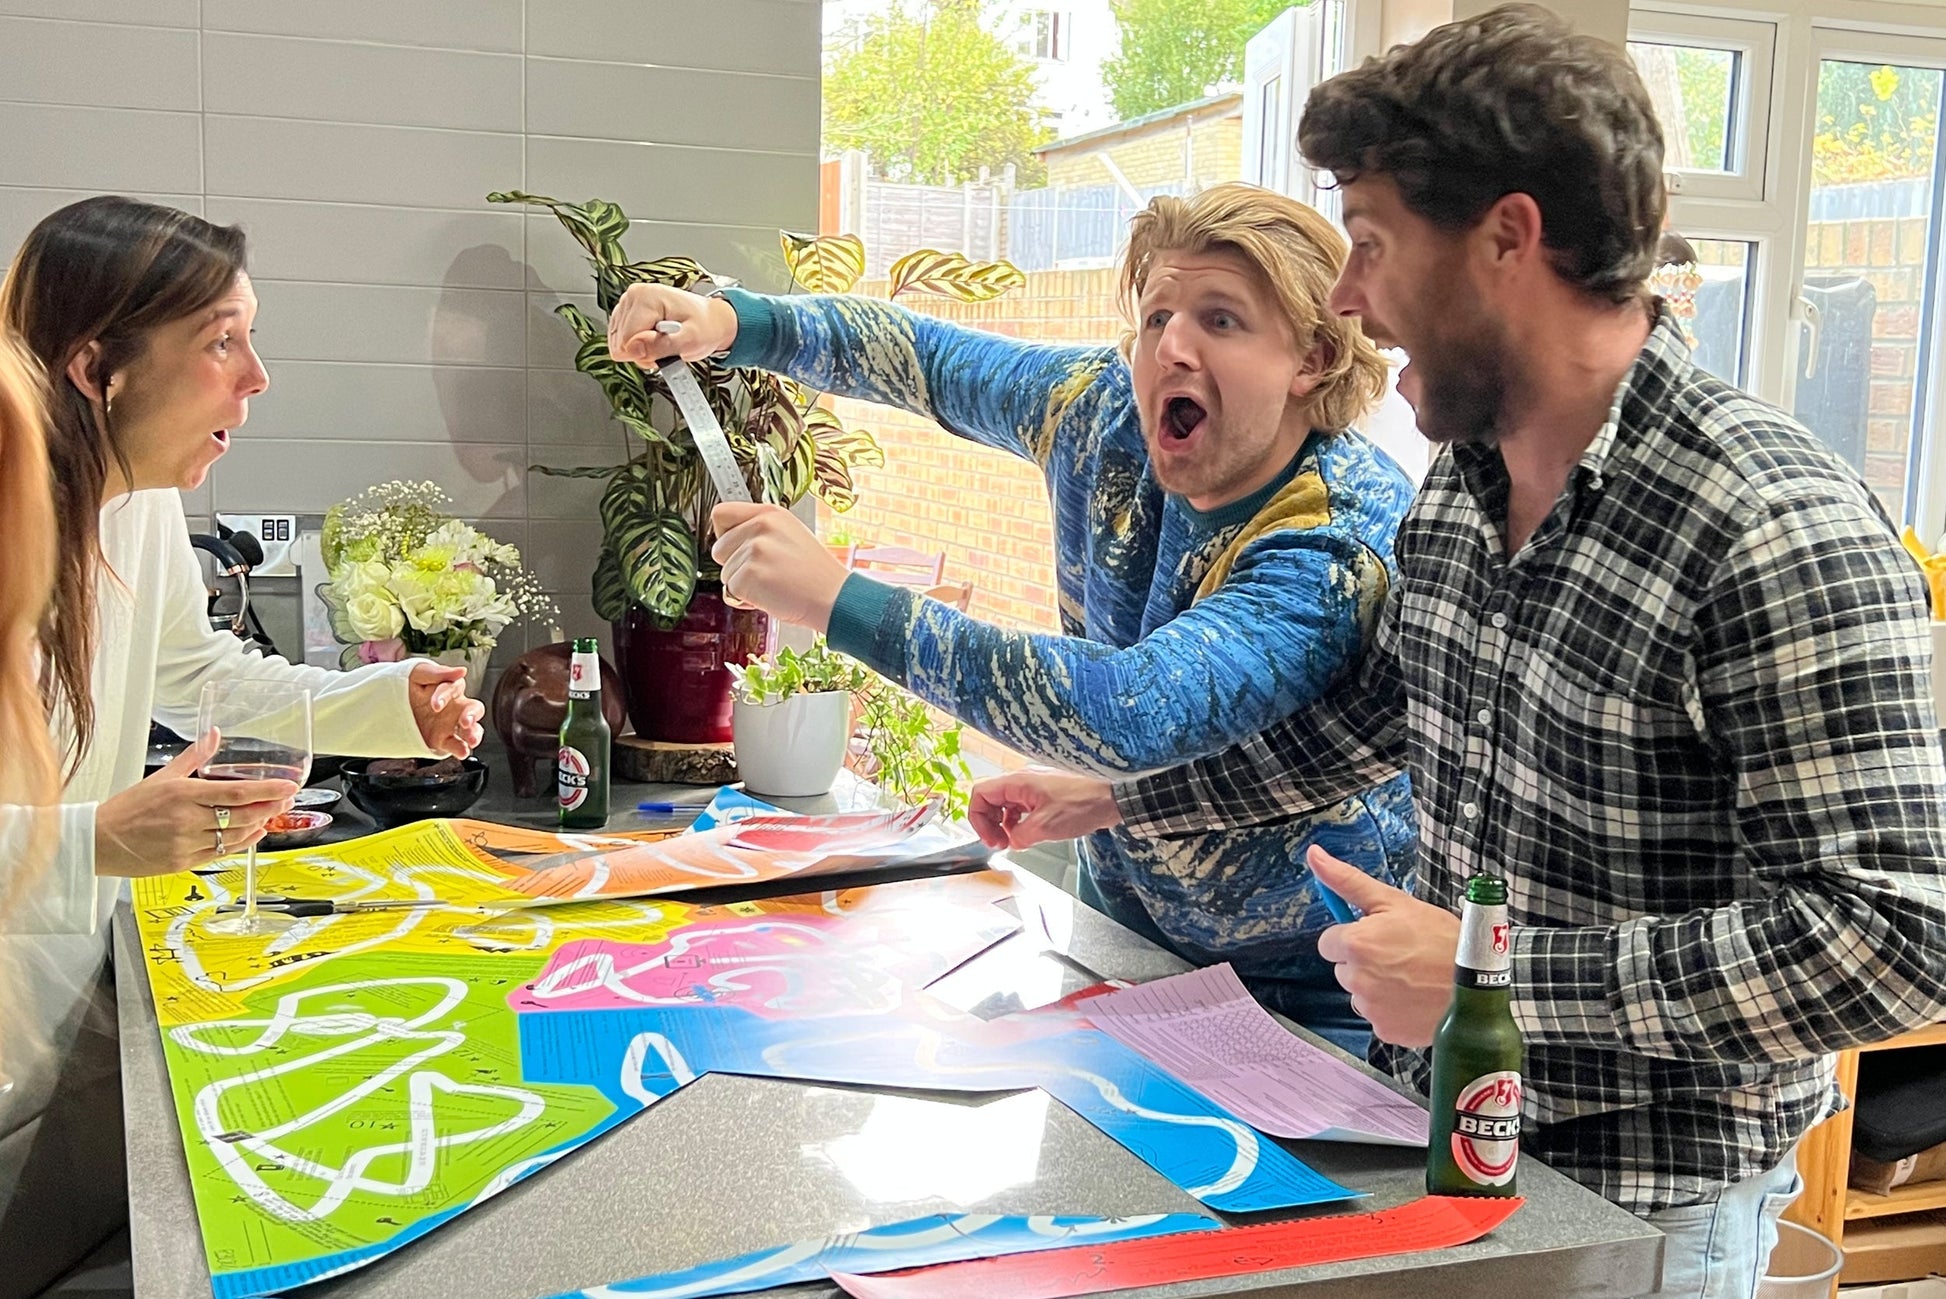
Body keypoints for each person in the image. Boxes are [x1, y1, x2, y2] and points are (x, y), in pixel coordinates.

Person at [964, 7, 1946, 1298]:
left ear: (1505, 236)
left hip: (1637, 1207)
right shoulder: (1459, 487)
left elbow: (1892, 933)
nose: (1352, 304)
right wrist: (1123, 797)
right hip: (1430, 1145)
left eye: (1369, 244)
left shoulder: (1767, 526)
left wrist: (1497, 983)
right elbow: (1367, 724)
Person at [607, 184, 1417, 1051]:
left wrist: (835, 599)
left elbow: (1127, 711)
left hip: (1318, 989)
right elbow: (925, 360)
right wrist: (729, 322)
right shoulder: (1102, 407)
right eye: (1156, 316)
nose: (1170, 347)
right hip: (1127, 941)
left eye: (1221, 321)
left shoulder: (1334, 544)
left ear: (1317, 357)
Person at [0, 196, 486, 1294]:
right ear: (96, 367)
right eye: (221, 339)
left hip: (59, 1002)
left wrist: (383, 703)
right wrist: (96, 840)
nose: (257, 377)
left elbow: (201, 671)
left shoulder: (134, 508)